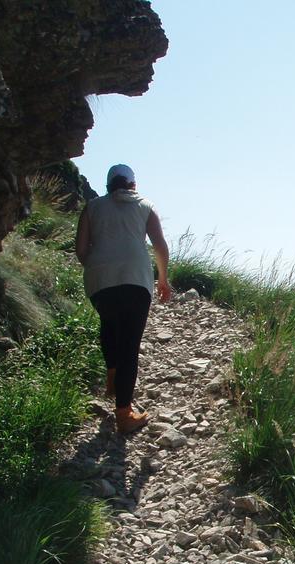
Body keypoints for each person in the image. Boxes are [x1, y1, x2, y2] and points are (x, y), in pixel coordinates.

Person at [76, 163, 171, 434]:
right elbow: (159, 245)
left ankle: (113, 376)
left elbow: (81, 250)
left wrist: (99, 265)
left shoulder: (92, 207)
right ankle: (124, 413)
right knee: (130, 343)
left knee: (109, 324)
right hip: (135, 279)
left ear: (108, 186)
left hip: (99, 279)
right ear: (133, 185)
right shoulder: (145, 205)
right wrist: (162, 279)